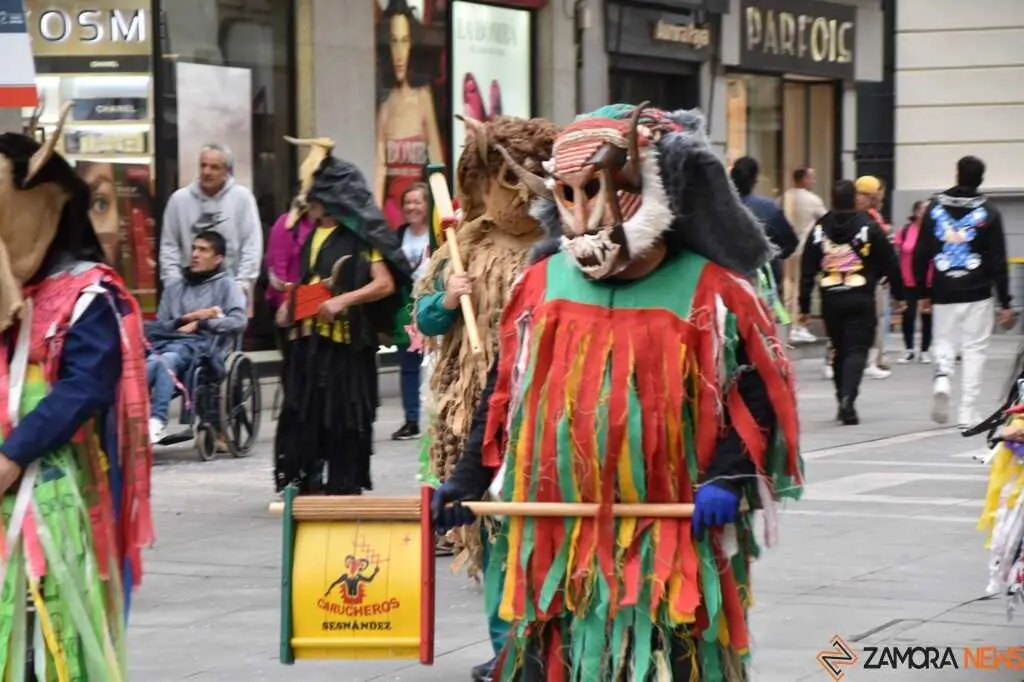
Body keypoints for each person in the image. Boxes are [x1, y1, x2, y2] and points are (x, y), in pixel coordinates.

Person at [432, 103, 802, 680]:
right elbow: (505, 391)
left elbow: (758, 389)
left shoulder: (715, 292)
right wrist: (465, 480)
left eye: (598, 189)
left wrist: (729, 474)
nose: (584, 215)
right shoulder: (540, 284)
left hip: (670, 537)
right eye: (568, 194)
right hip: (557, 534)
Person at [0, 113, 153, 679]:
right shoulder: (12, 293)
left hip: (52, 496)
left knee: (47, 635)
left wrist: (13, 455)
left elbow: (84, 386)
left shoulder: (89, 294)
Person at [414, 114, 560, 681]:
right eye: (502, 181)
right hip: (473, 406)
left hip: (537, 402)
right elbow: (424, 319)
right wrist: (447, 300)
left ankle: (539, 639)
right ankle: (508, 647)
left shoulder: (557, 251)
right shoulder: (464, 246)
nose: (516, 196)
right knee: (491, 529)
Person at [274, 153, 412, 496]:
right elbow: (315, 287)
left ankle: (343, 486)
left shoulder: (361, 238)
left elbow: (384, 284)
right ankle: (306, 482)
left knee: (344, 422)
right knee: (304, 417)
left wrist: (343, 300)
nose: (309, 202)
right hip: (308, 346)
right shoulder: (309, 238)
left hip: (346, 349)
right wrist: (291, 307)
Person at [914, 155, 1015, 428]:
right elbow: (997, 260)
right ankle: (967, 411)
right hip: (978, 291)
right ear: (981, 179)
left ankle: (943, 378)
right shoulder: (990, 212)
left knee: (943, 340)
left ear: (956, 174)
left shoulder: (934, 207)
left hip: (943, 288)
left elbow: (920, 251)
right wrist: (1005, 300)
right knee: (974, 348)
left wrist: (922, 291)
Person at [800, 180, 905, 425]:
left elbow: (807, 268)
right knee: (857, 349)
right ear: (853, 199)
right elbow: (891, 261)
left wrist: (804, 306)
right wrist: (899, 295)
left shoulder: (820, 228)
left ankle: (841, 398)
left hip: (830, 298)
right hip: (860, 297)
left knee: (839, 348)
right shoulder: (868, 226)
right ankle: (849, 397)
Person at [146, 230, 248, 444]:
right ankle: (137, 421)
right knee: (151, 362)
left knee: (165, 361)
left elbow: (239, 321)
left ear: (218, 258)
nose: (195, 254)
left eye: (203, 250)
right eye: (194, 248)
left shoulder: (227, 286)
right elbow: (159, 325)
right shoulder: (174, 287)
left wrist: (202, 323)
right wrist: (186, 318)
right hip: (169, 343)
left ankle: (157, 420)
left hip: (206, 349)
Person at [159, 143, 264, 313]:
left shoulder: (242, 198)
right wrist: (173, 285)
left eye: (214, 167)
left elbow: (251, 244)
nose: (207, 172)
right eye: (203, 165)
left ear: (226, 171)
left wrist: (242, 283)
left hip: (231, 291)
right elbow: (169, 247)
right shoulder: (179, 200)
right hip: (187, 294)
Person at [374, 0, 445, 229]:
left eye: (404, 41)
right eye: (393, 42)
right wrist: (373, 220)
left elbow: (436, 160)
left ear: (413, 44)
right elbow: (380, 168)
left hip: (421, 206)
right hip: (393, 210)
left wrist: (444, 210)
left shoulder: (423, 98)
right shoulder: (385, 106)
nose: (399, 53)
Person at [392, 183, 431, 440]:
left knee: (439, 365)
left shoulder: (438, 233)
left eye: (417, 202)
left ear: (428, 205)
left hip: (434, 302)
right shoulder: (398, 235)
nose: (411, 207)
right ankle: (411, 419)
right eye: (407, 202)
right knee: (409, 364)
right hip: (408, 306)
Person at [729, 156, 798, 301]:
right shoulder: (768, 208)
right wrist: (774, 255)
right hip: (764, 282)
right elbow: (790, 242)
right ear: (754, 180)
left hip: (729, 282)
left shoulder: (719, 208)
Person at [854, 175, 894, 378]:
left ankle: (836, 358)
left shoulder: (849, 215)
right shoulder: (873, 218)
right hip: (872, 276)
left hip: (850, 274)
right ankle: (872, 360)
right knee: (874, 318)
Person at [782, 167, 827, 343]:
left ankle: (788, 325)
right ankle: (799, 325)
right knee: (801, 288)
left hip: (787, 249)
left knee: (788, 287)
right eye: (811, 177)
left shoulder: (785, 197)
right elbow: (825, 219)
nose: (814, 181)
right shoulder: (813, 200)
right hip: (804, 249)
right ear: (804, 179)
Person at [893, 200, 933, 363]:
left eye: (928, 209)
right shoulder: (905, 231)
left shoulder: (933, 231)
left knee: (927, 316)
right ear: (915, 212)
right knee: (908, 315)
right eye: (923, 209)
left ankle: (925, 350)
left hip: (927, 280)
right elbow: (897, 253)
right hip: (907, 278)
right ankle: (908, 349)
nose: (925, 212)